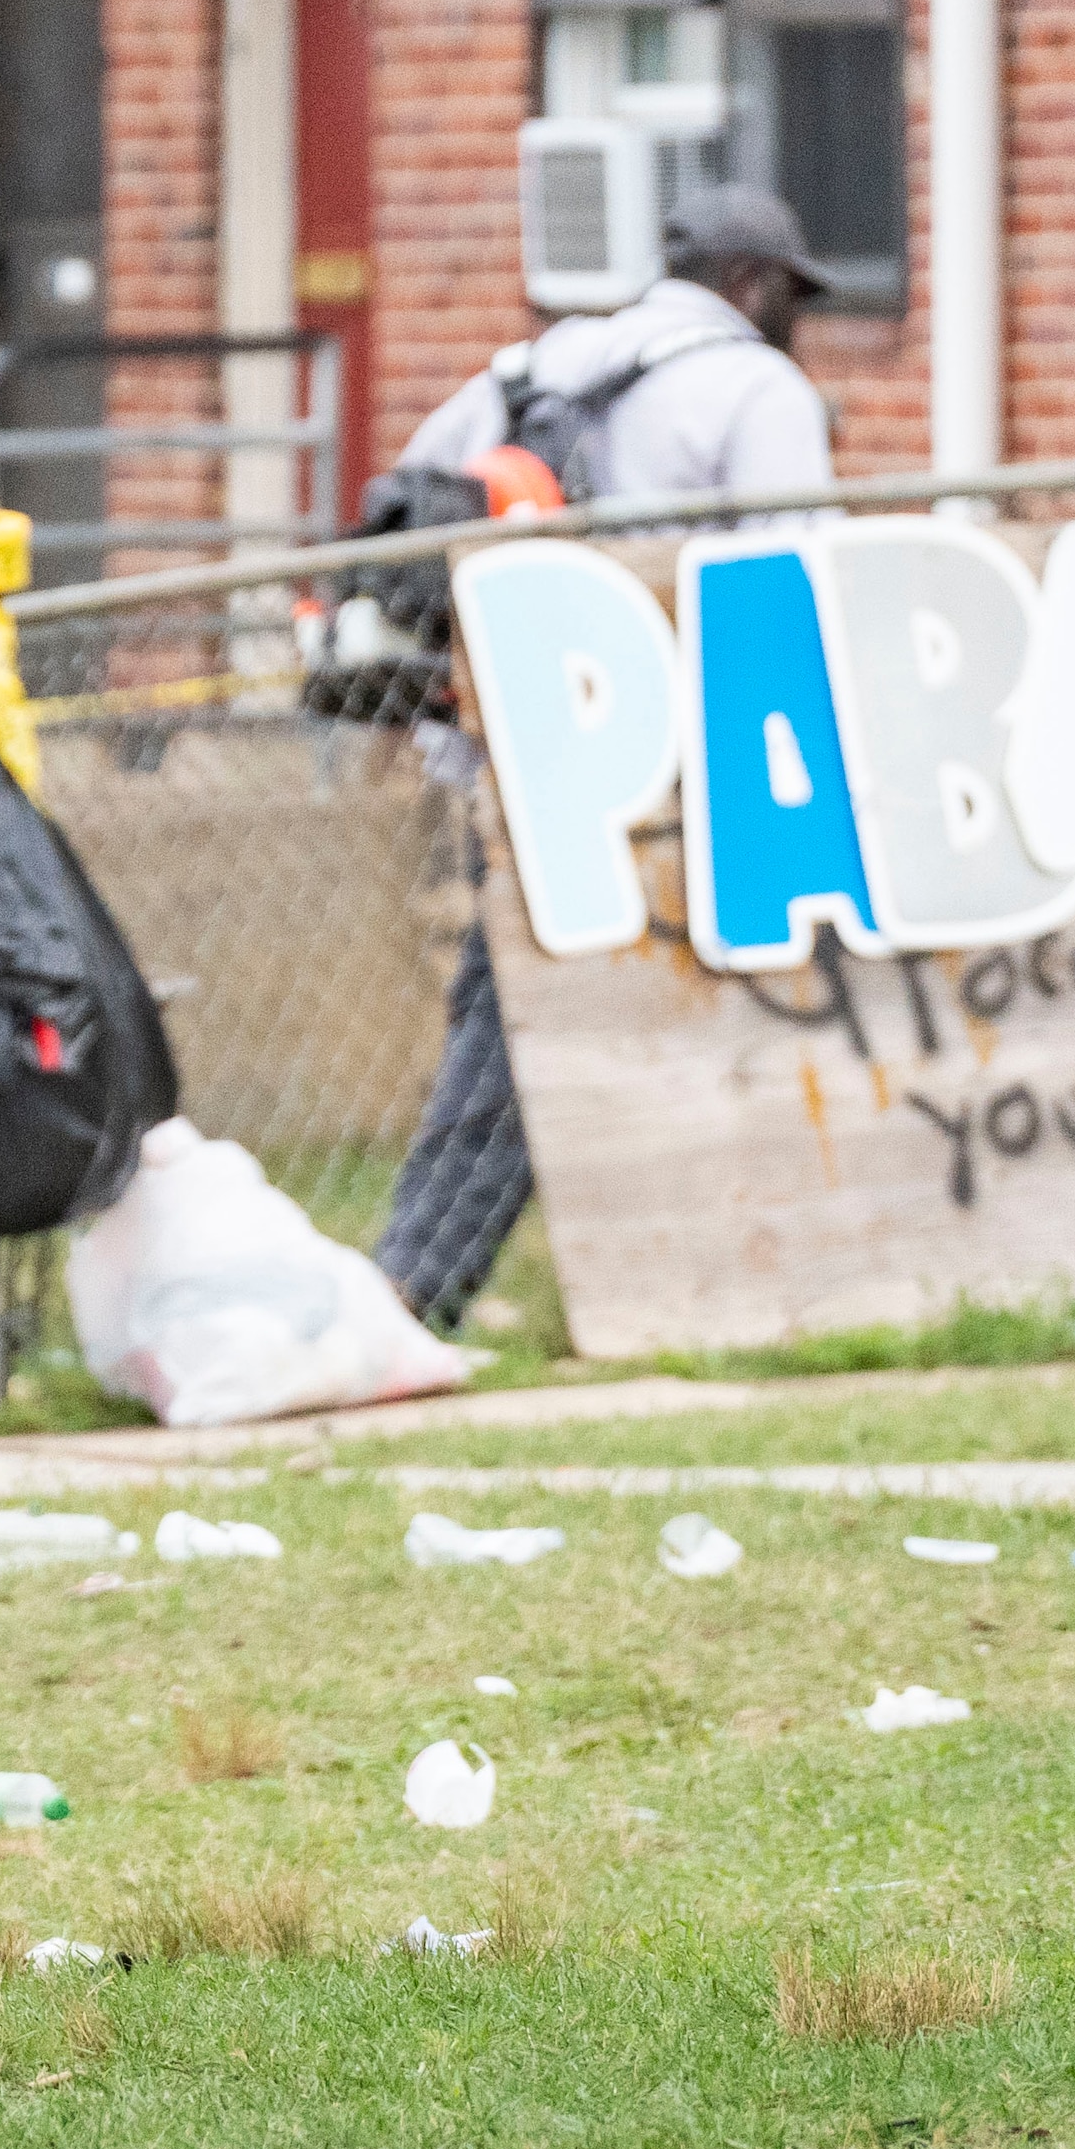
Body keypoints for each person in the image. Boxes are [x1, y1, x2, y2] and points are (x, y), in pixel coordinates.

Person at [371, 187, 835, 1327]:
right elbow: (794, 574)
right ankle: (418, 1279)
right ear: (751, 284)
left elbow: (401, 512)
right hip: (692, 759)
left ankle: (433, 1271)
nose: (796, 322)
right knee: (593, 1005)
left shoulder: (529, 368)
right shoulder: (755, 387)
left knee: (533, 988)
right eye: (790, 296)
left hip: (530, 746)